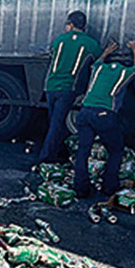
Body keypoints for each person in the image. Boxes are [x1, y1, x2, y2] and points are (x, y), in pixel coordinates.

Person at [72, 41, 135, 198]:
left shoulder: (99, 69)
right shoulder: (123, 72)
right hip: (104, 115)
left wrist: (106, 52)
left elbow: (97, 61)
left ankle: (80, 188)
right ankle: (109, 187)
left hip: (84, 112)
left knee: (83, 150)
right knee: (116, 150)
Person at [36, 10, 100, 164]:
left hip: (51, 86)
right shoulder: (91, 43)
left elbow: (52, 54)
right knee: (58, 123)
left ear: (70, 25)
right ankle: (51, 155)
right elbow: (97, 61)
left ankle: (48, 155)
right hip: (68, 88)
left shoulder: (59, 40)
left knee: (54, 121)